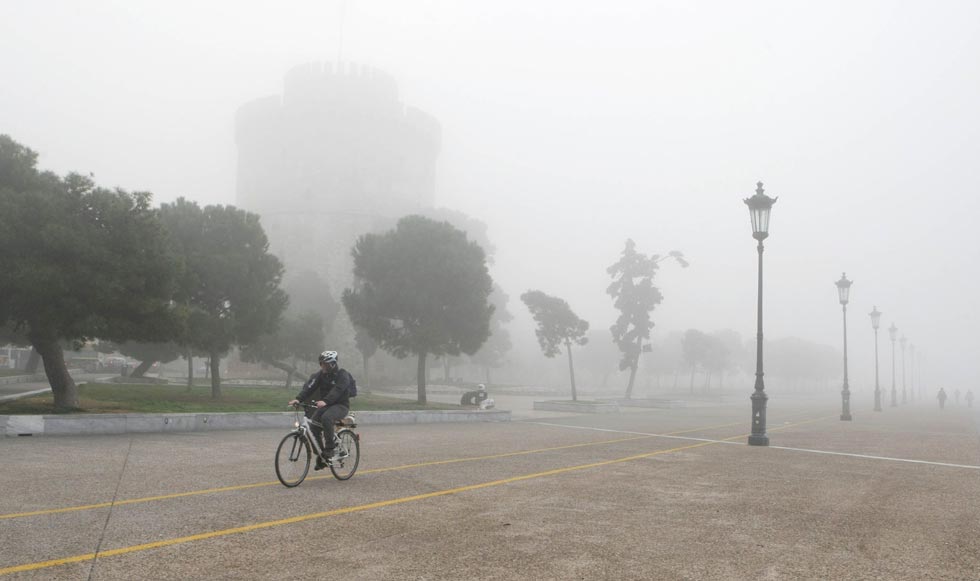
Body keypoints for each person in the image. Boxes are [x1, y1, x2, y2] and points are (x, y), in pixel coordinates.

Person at [289, 350, 354, 470]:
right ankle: (322, 455)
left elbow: (338, 390)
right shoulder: (321, 375)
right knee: (313, 426)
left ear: (333, 364)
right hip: (326, 405)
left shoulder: (342, 374)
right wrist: (298, 399)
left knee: (326, 417)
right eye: (321, 364)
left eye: (325, 364)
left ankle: (329, 449)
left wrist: (326, 401)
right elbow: (310, 386)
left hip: (341, 406)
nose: (322, 366)